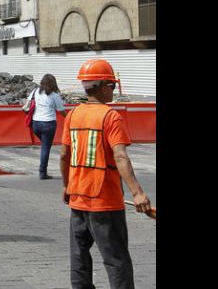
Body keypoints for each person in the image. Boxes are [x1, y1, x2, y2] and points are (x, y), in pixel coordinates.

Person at [60, 59, 151, 289]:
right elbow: (120, 157)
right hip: (105, 202)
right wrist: (137, 193)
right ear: (101, 86)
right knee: (116, 260)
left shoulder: (73, 115)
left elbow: (64, 155)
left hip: (78, 199)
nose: (113, 90)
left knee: (79, 259)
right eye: (111, 85)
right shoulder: (111, 117)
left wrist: (66, 186)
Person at [30, 74, 68, 180]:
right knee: (45, 147)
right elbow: (61, 110)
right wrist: (70, 118)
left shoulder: (35, 91)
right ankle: (43, 173)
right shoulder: (54, 95)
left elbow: (28, 102)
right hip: (48, 123)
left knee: (44, 145)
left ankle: (43, 171)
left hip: (35, 123)